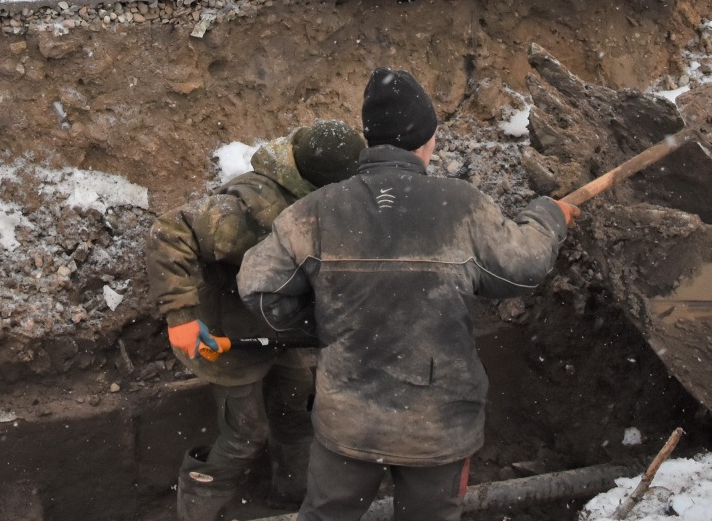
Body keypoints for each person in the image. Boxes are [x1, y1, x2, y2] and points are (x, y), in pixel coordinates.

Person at [238, 68, 579, 521]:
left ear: (370, 139)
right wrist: (547, 218)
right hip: (435, 427)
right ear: (428, 139)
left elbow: (259, 286)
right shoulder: (461, 206)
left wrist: (322, 324)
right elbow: (522, 270)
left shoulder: (317, 210)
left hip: (348, 420)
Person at [146, 120, 366, 521]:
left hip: (279, 327)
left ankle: (293, 498)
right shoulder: (252, 210)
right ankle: (197, 512)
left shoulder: (324, 205)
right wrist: (180, 315)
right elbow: (171, 230)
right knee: (246, 433)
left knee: (297, 414)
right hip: (229, 333)